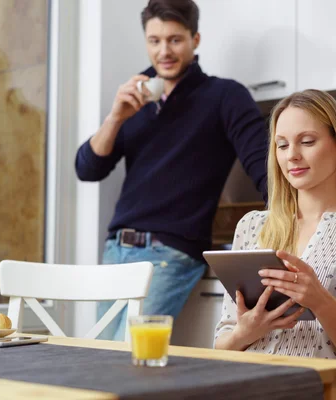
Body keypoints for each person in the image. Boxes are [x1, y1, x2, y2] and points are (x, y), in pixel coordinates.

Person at [75, 0, 267, 340]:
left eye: (175, 40)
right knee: (96, 359)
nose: (164, 51)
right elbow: (87, 169)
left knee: (125, 361)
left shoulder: (225, 96)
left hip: (170, 254)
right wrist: (115, 118)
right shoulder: (135, 99)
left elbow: (266, 167)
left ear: (196, 39)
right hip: (116, 250)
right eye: (154, 40)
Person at [214, 89, 336, 399]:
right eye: (282, 145)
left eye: (307, 141)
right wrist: (246, 331)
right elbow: (222, 345)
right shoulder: (252, 227)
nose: (292, 155)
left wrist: (320, 300)